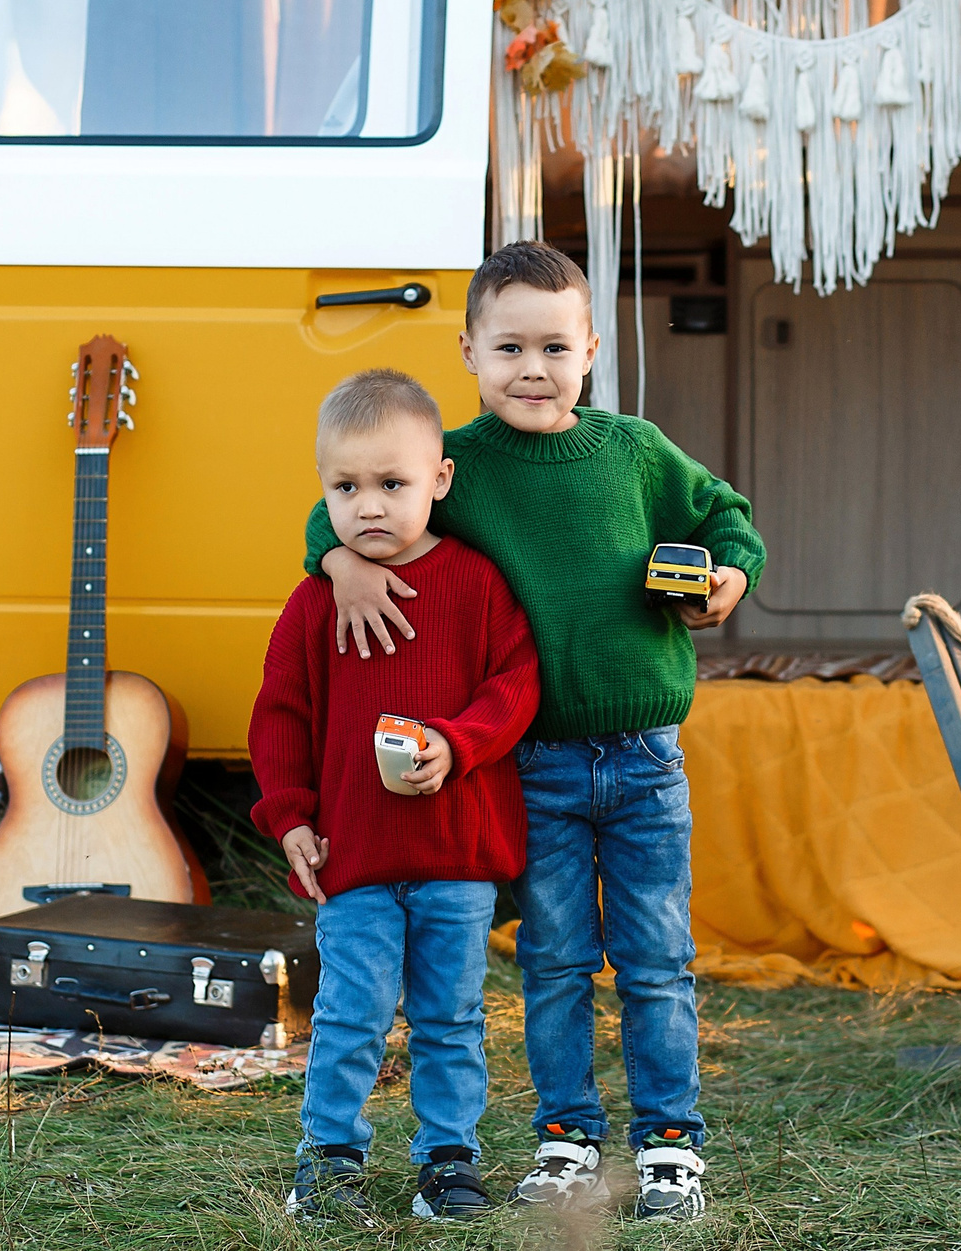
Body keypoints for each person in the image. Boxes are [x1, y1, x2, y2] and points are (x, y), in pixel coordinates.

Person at [304, 242, 765, 1222]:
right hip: (532, 762)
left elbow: (726, 515)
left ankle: (670, 1145)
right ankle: (565, 1140)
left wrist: (727, 576)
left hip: (643, 759)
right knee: (554, 960)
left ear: (590, 349)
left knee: (654, 957)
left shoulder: (634, 451)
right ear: (468, 350)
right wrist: (335, 566)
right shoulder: (455, 469)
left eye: (554, 347)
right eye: (507, 347)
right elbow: (346, 502)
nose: (531, 369)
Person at [250, 368, 541, 1224]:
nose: (369, 506)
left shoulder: (477, 584)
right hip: (357, 855)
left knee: (452, 1016)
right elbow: (280, 717)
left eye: (392, 484)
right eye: (346, 487)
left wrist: (458, 742)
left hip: (456, 854)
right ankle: (329, 1158)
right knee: (350, 1015)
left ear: (438, 481)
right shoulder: (314, 604)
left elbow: (516, 684)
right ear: (323, 491)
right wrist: (292, 817)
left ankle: (448, 1159)